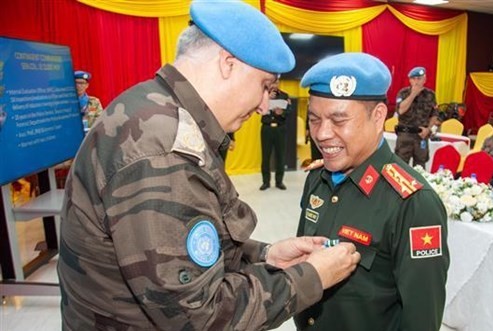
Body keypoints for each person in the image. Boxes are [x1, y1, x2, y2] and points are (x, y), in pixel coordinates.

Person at [57, 2, 361, 330]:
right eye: (265, 87)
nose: (263, 106)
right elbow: (202, 315)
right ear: (228, 64)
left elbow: (192, 249)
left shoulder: (153, 107)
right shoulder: (163, 151)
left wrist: (267, 255)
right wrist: (312, 276)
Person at [295, 52, 449, 331]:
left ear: (378, 117)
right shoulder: (317, 178)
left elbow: (422, 318)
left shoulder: (414, 202)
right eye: (314, 119)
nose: (321, 134)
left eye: (339, 121)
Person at [394, 66, 438, 167]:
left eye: (419, 78)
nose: (416, 81)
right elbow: (401, 110)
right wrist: (413, 94)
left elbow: (434, 114)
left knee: (420, 168)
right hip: (405, 136)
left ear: (425, 80)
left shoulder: (430, 94)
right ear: (410, 80)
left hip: (421, 136)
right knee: (399, 168)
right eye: (413, 79)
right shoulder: (403, 93)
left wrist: (428, 129)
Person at [260, 85, 290, 190]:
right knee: (265, 156)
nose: (274, 84)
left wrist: (282, 113)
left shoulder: (284, 95)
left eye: (276, 81)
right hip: (267, 128)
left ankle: (279, 181)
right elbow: (258, 109)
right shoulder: (263, 95)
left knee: (280, 156)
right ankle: (265, 182)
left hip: (280, 129)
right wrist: (267, 99)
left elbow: (289, 110)